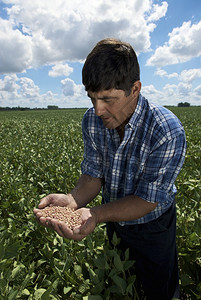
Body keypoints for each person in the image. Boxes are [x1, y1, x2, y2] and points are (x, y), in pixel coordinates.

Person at [34, 38, 186, 299]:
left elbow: (148, 201)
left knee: (159, 285)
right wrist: (72, 200)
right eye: (92, 98)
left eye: (107, 99)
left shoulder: (166, 131)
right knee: (119, 279)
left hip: (153, 225)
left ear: (134, 89)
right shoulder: (92, 120)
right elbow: (93, 175)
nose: (98, 109)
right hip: (111, 217)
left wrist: (95, 214)